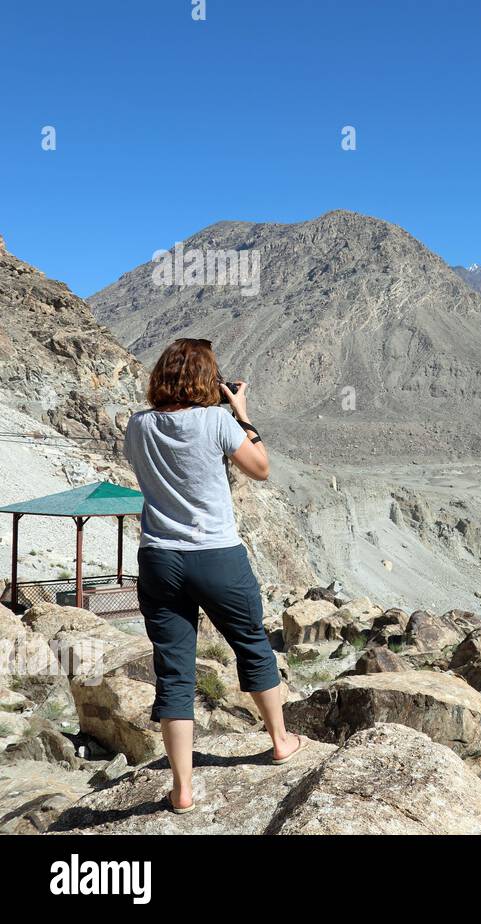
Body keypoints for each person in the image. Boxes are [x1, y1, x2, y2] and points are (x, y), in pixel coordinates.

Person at [123, 337, 301, 814]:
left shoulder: (137, 425)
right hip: (216, 554)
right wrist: (241, 412)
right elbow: (260, 469)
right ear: (209, 381)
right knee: (250, 643)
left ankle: (181, 789)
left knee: (174, 671)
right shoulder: (218, 420)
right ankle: (280, 742)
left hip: (159, 558)